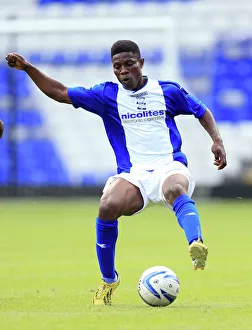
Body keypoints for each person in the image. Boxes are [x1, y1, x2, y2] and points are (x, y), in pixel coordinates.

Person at [6, 40, 227, 306]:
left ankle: (196, 244)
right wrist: (28, 68)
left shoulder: (167, 90)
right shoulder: (106, 96)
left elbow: (202, 112)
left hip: (169, 165)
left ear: (141, 63)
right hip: (133, 174)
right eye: (117, 67)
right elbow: (60, 92)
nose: (123, 71)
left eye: (129, 64)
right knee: (107, 206)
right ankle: (109, 280)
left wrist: (217, 141)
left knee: (174, 189)